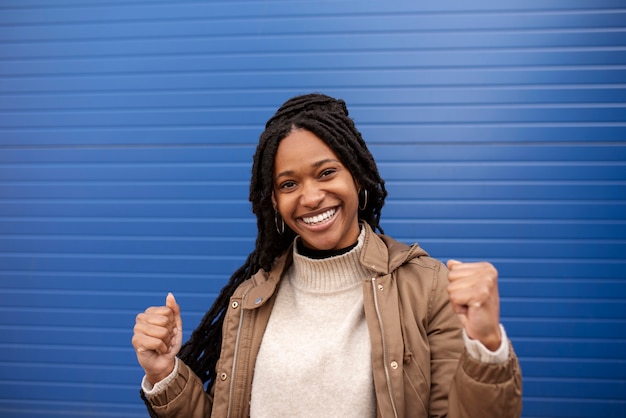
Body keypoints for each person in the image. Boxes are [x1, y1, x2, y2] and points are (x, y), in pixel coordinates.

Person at [132, 93, 523, 417]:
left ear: (356, 175)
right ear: (274, 201)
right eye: (289, 184)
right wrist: (165, 372)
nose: (311, 197)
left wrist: (486, 344)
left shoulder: (426, 286)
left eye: (325, 173)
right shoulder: (251, 298)